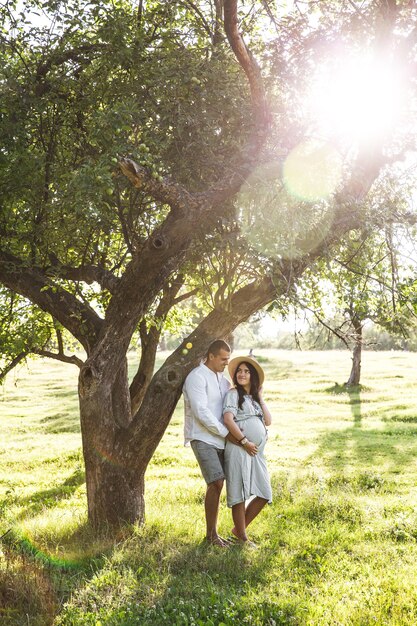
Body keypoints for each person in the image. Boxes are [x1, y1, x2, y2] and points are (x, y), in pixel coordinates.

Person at [183, 339, 232, 547]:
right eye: (223, 359)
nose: (226, 363)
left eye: (228, 359)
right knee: (216, 482)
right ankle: (211, 536)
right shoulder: (196, 377)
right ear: (211, 356)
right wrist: (225, 432)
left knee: (224, 484)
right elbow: (200, 411)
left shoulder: (223, 381)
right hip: (202, 436)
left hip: (222, 439)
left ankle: (222, 533)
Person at [223, 356, 272, 546]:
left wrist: (260, 396)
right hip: (240, 448)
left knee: (264, 493)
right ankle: (242, 538)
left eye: (246, 371)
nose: (242, 374)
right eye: (239, 371)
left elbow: (268, 421)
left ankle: (238, 529)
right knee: (239, 493)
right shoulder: (233, 394)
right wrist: (244, 441)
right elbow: (228, 419)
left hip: (256, 452)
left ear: (253, 377)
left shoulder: (255, 399)